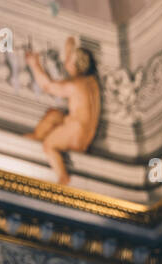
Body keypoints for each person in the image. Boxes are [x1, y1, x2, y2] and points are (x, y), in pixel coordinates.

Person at [24, 39, 101, 186]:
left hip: (77, 135)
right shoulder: (90, 81)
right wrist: (70, 45)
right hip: (83, 131)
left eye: (68, 60)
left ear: (75, 65)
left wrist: (35, 64)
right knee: (54, 114)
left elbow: (47, 86)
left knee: (49, 146)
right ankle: (36, 137)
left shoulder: (74, 85)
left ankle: (63, 178)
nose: (65, 62)